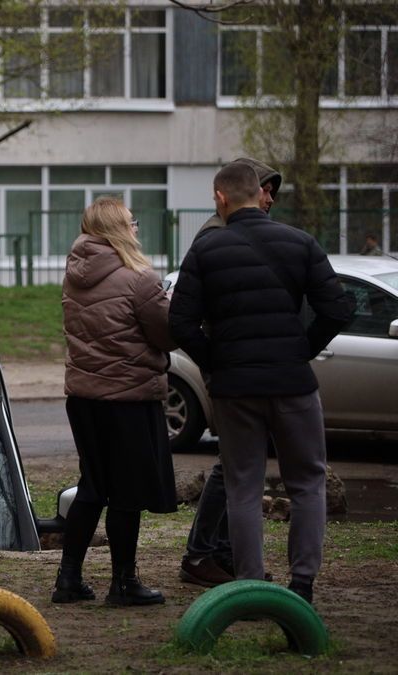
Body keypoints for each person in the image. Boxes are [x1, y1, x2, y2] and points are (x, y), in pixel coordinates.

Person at [169, 162, 352, 604]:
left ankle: (250, 585)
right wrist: (300, 348)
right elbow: (338, 309)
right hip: (293, 383)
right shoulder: (300, 242)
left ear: (221, 198)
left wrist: (216, 362)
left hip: (235, 389)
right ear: (260, 194)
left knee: (243, 485)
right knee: (307, 481)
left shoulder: (206, 249)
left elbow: (180, 321)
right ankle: (302, 583)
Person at [53, 197, 177, 607]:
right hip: (128, 398)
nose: (137, 227)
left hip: (84, 398)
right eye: (131, 221)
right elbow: (166, 334)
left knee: (92, 485)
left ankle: (68, 579)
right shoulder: (140, 279)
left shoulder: (74, 275)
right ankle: (124, 582)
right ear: (118, 228)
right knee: (126, 493)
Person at [179, 157, 284, 588]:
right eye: (267, 189)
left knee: (240, 464)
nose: (271, 198)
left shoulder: (234, 231)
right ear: (245, 190)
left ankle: (219, 552)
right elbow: (191, 313)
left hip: (242, 364)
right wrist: (215, 357)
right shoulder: (217, 233)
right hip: (230, 366)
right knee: (233, 465)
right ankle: (201, 554)